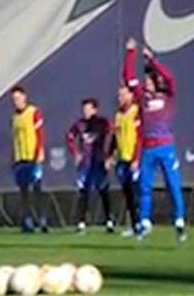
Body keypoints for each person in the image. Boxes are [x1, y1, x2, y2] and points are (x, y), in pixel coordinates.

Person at [123, 38, 186, 242]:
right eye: (147, 80)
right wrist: (131, 53)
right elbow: (128, 76)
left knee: (173, 185)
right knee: (144, 187)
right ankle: (144, 222)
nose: (147, 82)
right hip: (148, 149)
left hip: (166, 147)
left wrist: (153, 61)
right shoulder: (142, 98)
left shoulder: (167, 94)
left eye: (150, 80)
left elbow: (170, 79)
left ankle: (179, 220)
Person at [67, 97, 115, 234]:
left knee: (103, 190)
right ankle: (81, 221)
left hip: (99, 161)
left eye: (88, 109)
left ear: (95, 109)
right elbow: (70, 137)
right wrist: (76, 153)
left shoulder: (102, 123)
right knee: (83, 191)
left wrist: (108, 156)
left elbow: (112, 136)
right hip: (85, 164)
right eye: (84, 109)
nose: (86, 112)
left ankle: (109, 220)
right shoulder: (79, 124)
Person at [10, 85, 49, 233]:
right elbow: (15, 139)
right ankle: (27, 222)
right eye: (14, 99)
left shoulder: (34, 112)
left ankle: (43, 221)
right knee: (24, 192)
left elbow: (39, 134)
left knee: (37, 189)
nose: (16, 102)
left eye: (18, 98)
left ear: (25, 97)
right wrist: (14, 158)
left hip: (33, 158)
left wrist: (39, 153)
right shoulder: (15, 117)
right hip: (21, 159)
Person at [108, 84, 142, 236]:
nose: (120, 98)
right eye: (119, 95)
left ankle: (141, 223)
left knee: (136, 193)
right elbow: (115, 137)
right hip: (122, 159)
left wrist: (136, 158)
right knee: (127, 194)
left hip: (134, 159)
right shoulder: (118, 115)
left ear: (131, 95)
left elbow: (140, 138)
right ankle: (134, 225)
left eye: (123, 95)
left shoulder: (136, 112)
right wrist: (110, 155)